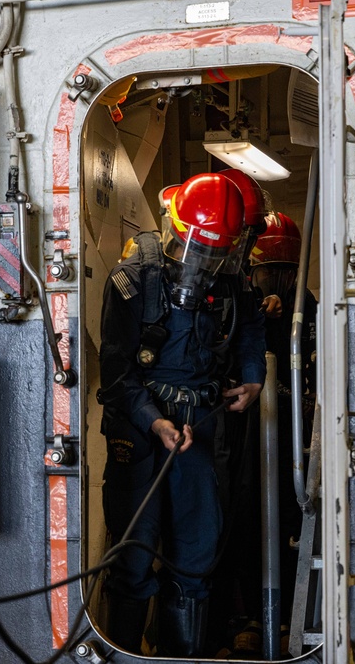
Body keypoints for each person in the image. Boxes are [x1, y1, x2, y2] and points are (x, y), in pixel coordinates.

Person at [98, 171, 266, 657]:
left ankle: (181, 655)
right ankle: (125, 651)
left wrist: (252, 376)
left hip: (202, 429)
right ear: (175, 227)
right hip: (143, 431)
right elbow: (116, 377)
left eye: (218, 254)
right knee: (132, 559)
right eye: (202, 251)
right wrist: (154, 420)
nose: (207, 264)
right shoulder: (132, 281)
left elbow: (251, 325)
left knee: (195, 561)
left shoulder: (231, 278)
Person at [218, 210, 318, 658]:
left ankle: (288, 614)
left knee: (292, 520)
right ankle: (250, 618)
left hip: (295, 437)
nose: (273, 282)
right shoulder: (236, 303)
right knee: (241, 520)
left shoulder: (309, 310)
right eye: (266, 272)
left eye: (282, 273)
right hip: (243, 436)